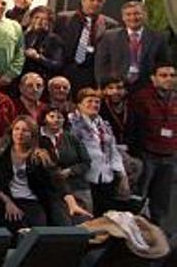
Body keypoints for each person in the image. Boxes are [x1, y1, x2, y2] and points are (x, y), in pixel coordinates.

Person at [0, 116, 91, 227]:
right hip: (8, 200)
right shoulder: (0, 151)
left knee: (40, 228)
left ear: (32, 134)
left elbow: (57, 181)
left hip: (33, 201)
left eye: (25, 130)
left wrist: (71, 203)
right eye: (17, 129)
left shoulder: (40, 155)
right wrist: (8, 202)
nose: (20, 133)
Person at [128, 62, 177, 226]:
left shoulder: (176, 98)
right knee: (138, 200)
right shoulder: (141, 98)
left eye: (172, 75)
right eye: (163, 75)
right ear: (153, 78)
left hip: (169, 155)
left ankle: (159, 239)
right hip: (147, 154)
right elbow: (133, 128)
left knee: (162, 202)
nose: (169, 79)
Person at [68, 87, 132, 215]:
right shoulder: (72, 123)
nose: (94, 104)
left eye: (97, 102)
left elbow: (113, 150)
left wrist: (122, 175)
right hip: (84, 179)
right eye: (89, 101)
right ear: (79, 104)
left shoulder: (104, 125)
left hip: (106, 178)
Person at [95, 0, 171, 91]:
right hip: (117, 89)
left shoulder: (158, 38)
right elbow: (101, 66)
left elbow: (162, 65)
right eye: (128, 14)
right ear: (123, 17)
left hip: (146, 89)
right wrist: (102, 87)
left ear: (144, 15)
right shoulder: (109, 37)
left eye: (137, 14)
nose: (133, 17)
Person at [55, 0, 119, 91]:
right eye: (92, 0)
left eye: (99, 1)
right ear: (83, 0)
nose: (95, 3)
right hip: (65, 72)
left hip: (92, 76)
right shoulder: (63, 19)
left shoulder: (111, 25)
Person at [39, 104, 93, 215]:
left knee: (84, 222)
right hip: (53, 189)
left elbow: (86, 162)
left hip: (77, 186)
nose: (56, 120)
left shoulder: (71, 138)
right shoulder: (37, 138)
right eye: (52, 116)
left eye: (59, 117)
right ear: (44, 118)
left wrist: (70, 171)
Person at [22, 6, 65, 81]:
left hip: (43, 77)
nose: (39, 21)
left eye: (44, 19)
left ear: (49, 22)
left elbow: (57, 65)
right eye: (36, 17)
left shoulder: (55, 40)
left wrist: (38, 57)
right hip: (23, 77)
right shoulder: (24, 35)